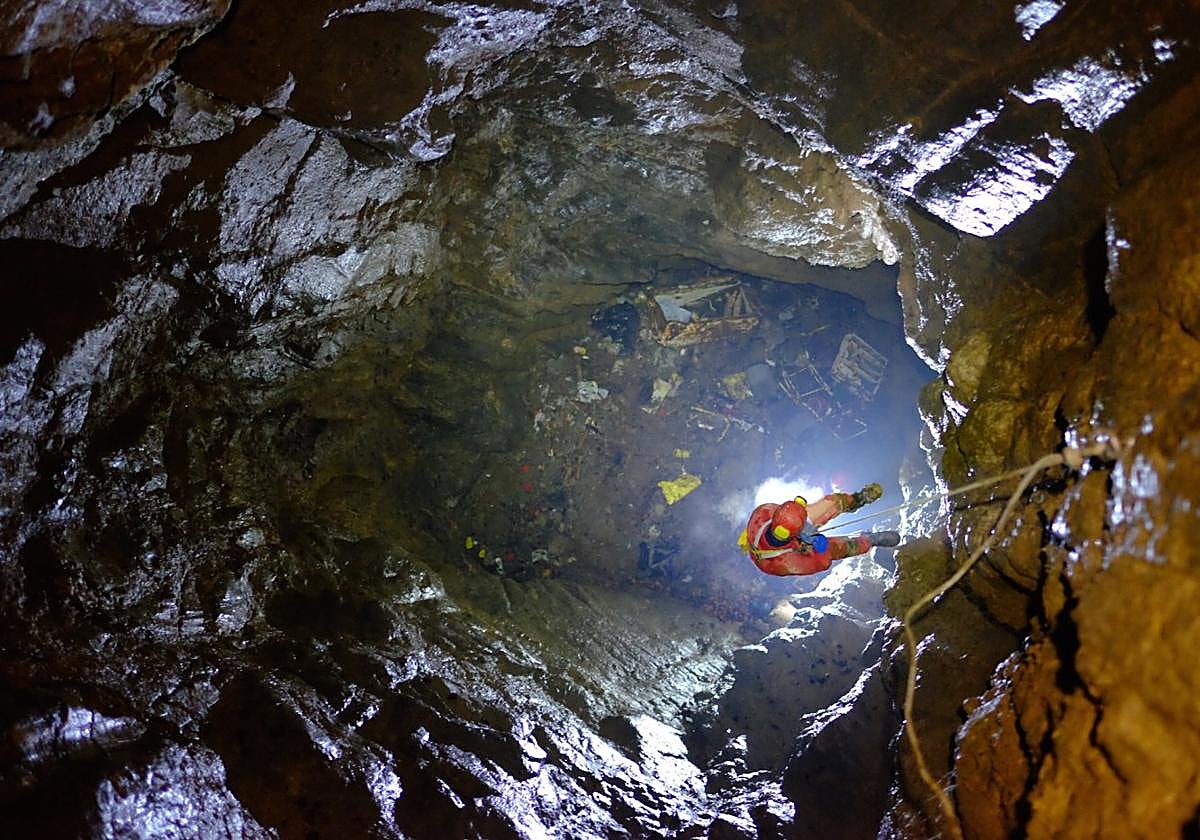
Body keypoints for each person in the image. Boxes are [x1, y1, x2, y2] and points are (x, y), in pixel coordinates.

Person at [738, 483, 899, 576]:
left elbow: (785, 511)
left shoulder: (764, 513)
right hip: (780, 555)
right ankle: (870, 540)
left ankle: (858, 499)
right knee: (837, 548)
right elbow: (823, 562)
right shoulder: (787, 563)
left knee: (827, 504)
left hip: (787, 532)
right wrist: (815, 543)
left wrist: (804, 527)